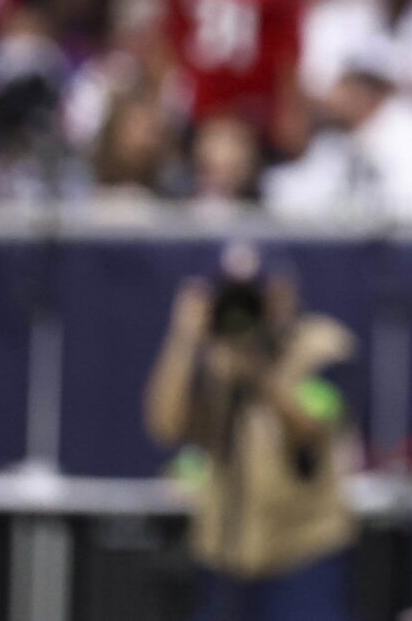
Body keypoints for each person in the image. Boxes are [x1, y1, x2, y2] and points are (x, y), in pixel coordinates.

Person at [144, 248, 357, 621]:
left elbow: (313, 428)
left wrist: (260, 379)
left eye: (259, 295)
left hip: (303, 553)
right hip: (224, 555)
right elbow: (165, 426)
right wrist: (183, 338)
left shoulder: (322, 345)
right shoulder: (213, 354)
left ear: (285, 293)